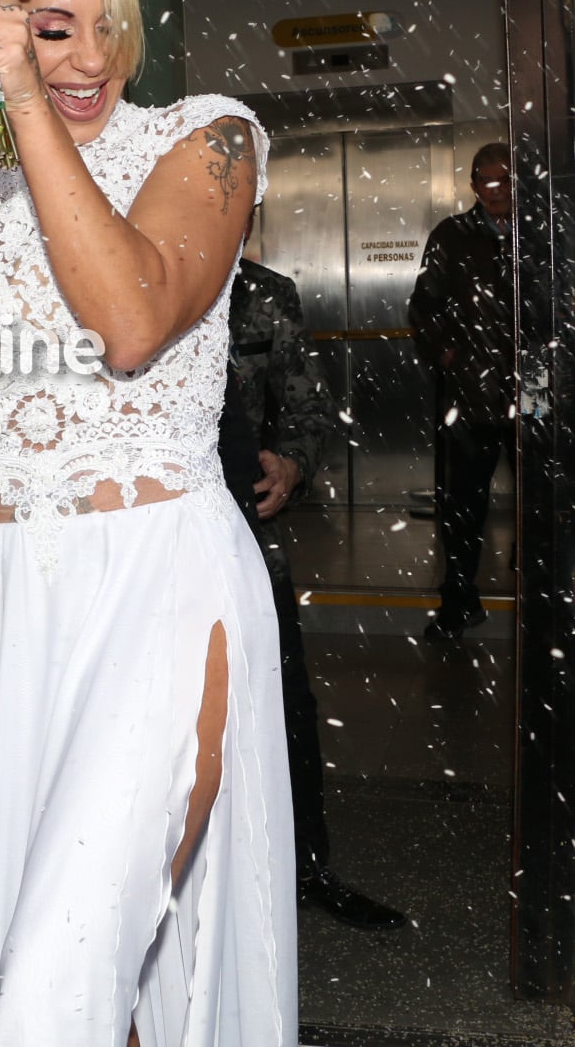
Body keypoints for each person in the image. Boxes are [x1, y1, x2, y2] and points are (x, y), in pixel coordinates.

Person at [0, 0, 297, 1044]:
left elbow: (133, 318)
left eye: (110, 24)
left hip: (157, 579)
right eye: (49, 30)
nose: (92, 59)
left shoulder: (207, 139)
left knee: (61, 973)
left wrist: (18, 100)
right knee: (49, 962)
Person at [228, 253, 407, 930]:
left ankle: (304, 865)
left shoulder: (264, 293)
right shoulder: (123, 268)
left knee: (285, 702)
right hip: (139, 529)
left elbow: (307, 404)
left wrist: (293, 461)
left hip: (245, 528)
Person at [408, 141, 515, 640]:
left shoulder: (541, 234)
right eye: (487, 181)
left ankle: (543, 599)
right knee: (463, 505)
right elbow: (423, 306)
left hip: (534, 392)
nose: (496, 191)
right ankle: (458, 601)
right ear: (473, 185)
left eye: (505, 179)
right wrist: (445, 353)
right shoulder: (452, 236)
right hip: (469, 394)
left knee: (542, 499)